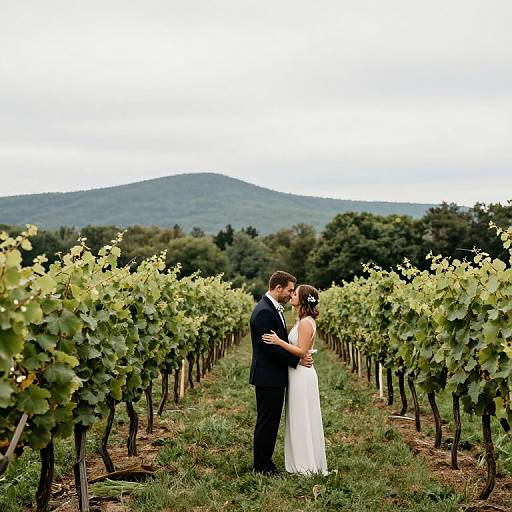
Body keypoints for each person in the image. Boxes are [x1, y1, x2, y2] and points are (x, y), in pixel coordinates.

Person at [249, 271, 313, 475]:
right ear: (278, 288)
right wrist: (298, 360)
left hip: (273, 376)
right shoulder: (264, 312)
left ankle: (266, 463)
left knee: (271, 421)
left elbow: (280, 343)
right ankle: (262, 467)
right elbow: (271, 348)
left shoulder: (272, 308)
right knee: (267, 422)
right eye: (289, 290)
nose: (290, 294)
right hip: (268, 377)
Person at [262, 284, 328, 475]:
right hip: (297, 372)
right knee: (297, 416)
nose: (291, 295)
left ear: (303, 299)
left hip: (302, 373)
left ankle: (305, 465)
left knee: (303, 417)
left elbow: (301, 351)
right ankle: (300, 461)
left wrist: (279, 342)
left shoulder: (306, 322)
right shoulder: (303, 320)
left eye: (295, 293)